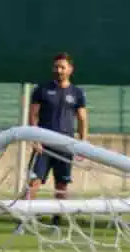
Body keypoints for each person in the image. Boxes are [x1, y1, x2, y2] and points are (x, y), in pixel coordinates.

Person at [26, 52, 89, 203]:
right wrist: (35, 140)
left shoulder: (77, 93)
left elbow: (82, 119)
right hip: (44, 145)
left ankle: (57, 221)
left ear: (70, 69)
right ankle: (23, 218)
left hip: (65, 145)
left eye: (62, 67)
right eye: (56, 67)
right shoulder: (42, 89)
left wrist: (83, 142)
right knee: (34, 181)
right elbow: (33, 115)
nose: (59, 70)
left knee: (62, 185)